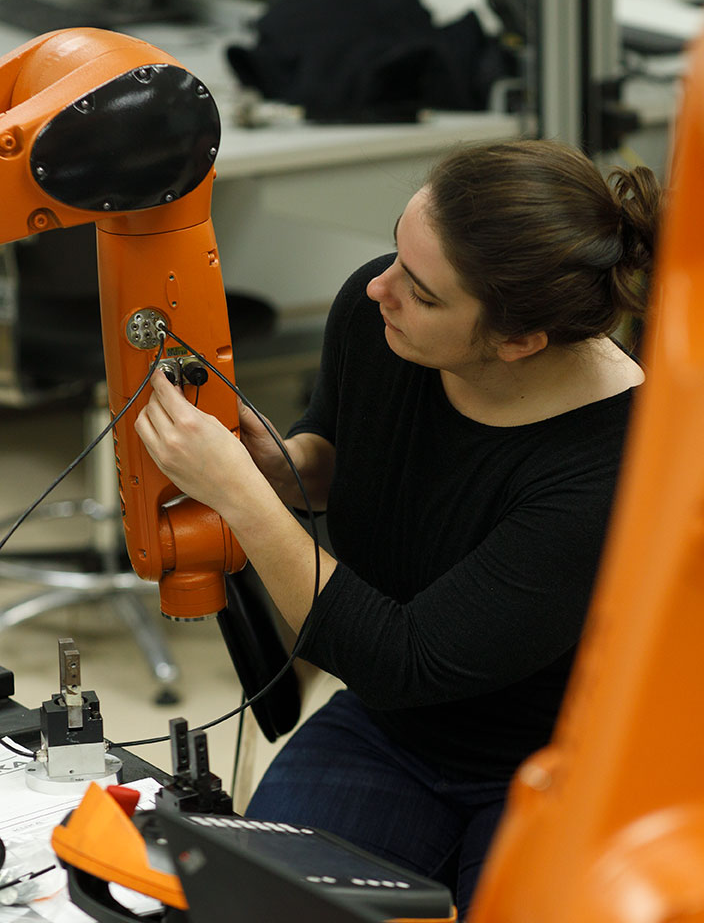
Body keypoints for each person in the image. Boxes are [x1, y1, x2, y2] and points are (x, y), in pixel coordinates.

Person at [135, 139, 662, 919]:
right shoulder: (376, 313)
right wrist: (283, 467)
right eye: (393, 251)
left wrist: (241, 496)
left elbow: (402, 658)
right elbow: (339, 448)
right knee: (259, 907)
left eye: (420, 291)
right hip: (392, 734)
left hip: (561, 767)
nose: (378, 286)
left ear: (518, 341)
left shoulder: (611, 469)